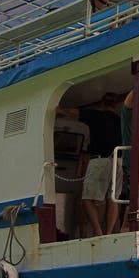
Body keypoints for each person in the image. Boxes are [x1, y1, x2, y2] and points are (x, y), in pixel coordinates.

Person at [57, 93, 123, 238]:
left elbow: (74, 113)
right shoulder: (120, 120)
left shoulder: (95, 116)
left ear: (101, 103)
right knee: (113, 198)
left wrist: (58, 109)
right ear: (116, 105)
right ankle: (109, 232)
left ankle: (98, 232)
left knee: (87, 198)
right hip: (118, 161)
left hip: (100, 160)